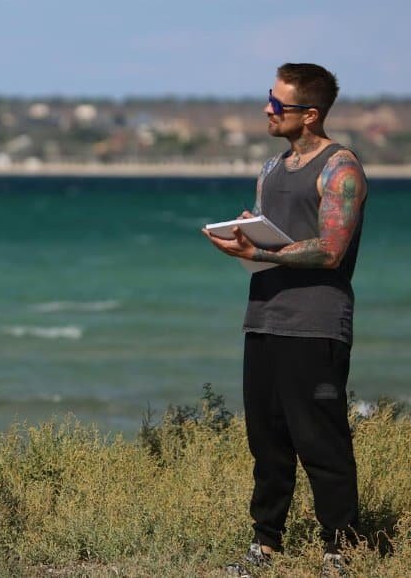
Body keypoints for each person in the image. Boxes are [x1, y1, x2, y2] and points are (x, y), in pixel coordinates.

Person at [204, 64, 367, 577]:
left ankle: (342, 549)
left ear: (310, 113)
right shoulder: (272, 167)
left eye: (278, 103)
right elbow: (268, 234)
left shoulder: (340, 167)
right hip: (264, 318)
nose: (267, 110)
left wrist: (265, 252)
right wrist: (244, 237)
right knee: (267, 442)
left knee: (322, 442)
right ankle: (265, 546)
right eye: (268, 99)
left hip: (316, 324)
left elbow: (332, 250)